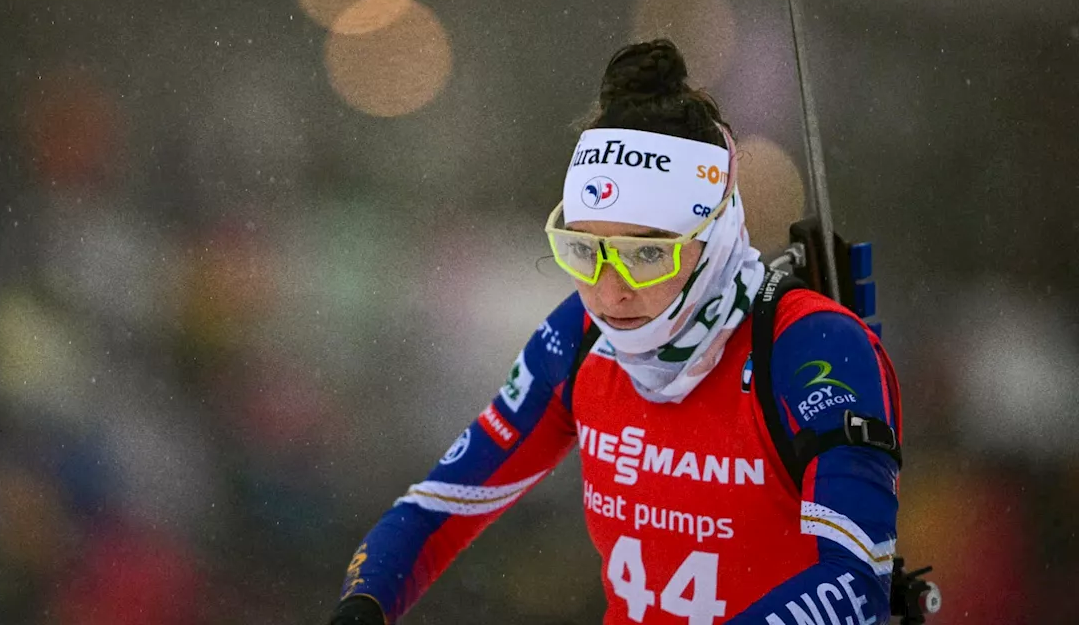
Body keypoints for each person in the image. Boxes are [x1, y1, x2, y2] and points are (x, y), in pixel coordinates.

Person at [327, 39, 903, 625]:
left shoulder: (812, 345)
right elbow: (436, 511)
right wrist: (363, 606)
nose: (610, 292)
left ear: (718, 236)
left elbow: (857, 584)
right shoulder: (580, 339)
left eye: (647, 255)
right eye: (584, 251)